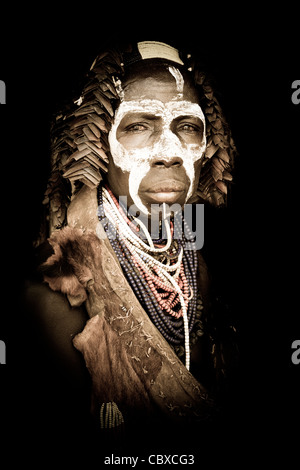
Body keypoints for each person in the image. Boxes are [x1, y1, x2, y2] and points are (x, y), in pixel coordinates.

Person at [24, 40, 238, 452]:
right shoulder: (54, 298)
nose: (168, 154)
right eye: (139, 125)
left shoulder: (196, 270)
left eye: (187, 126)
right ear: (98, 146)